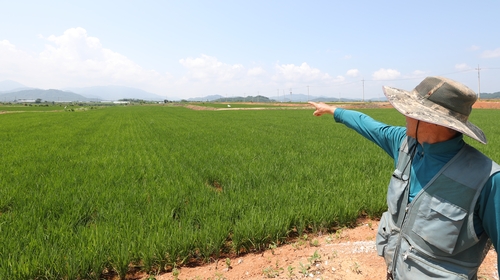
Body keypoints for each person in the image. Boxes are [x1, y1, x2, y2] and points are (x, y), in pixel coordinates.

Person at [308, 76, 500, 279]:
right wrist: (332, 110)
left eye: (411, 110)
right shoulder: (404, 143)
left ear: (430, 120)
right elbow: (369, 125)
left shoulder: (487, 179)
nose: (405, 115)